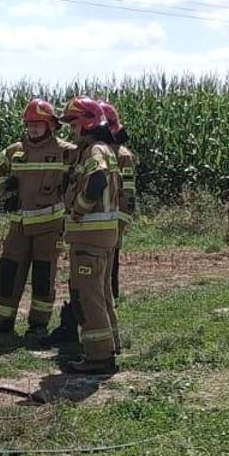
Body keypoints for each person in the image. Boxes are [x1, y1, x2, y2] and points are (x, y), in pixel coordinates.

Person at [0, 99, 75, 338]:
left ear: (51, 126)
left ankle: (38, 325)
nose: (33, 129)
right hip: (19, 226)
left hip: (49, 226)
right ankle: (2, 323)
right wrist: (6, 188)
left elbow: (77, 180)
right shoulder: (16, 151)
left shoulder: (65, 152)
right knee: (8, 273)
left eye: (38, 124)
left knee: (43, 277)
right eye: (29, 124)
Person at [57, 97, 123, 375]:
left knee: (88, 296)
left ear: (86, 123)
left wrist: (79, 211)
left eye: (73, 123)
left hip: (91, 237)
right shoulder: (104, 148)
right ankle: (110, 345)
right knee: (102, 293)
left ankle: (98, 357)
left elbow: (97, 181)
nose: (70, 130)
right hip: (101, 237)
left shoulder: (95, 151)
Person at [100, 101, 136, 300]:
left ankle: (112, 298)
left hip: (113, 218)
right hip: (94, 219)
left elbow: (128, 193)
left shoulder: (123, 156)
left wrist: (120, 223)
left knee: (111, 262)